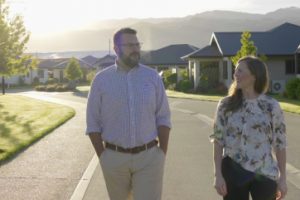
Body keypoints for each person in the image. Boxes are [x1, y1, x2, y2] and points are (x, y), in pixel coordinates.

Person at [86, 27, 171, 200]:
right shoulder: (101, 80)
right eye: (130, 45)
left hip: (149, 158)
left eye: (137, 44)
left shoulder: (152, 77)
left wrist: (162, 153)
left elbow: (163, 117)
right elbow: (92, 122)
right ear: (116, 49)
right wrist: (103, 156)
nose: (135, 49)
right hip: (114, 160)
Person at [210, 56, 287, 200]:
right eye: (235, 71)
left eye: (240, 71)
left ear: (254, 76)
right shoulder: (225, 105)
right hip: (233, 171)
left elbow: (280, 144)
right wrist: (218, 175)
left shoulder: (271, 106)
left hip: (264, 173)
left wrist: (282, 178)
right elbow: (218, 140)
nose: (235, 75)